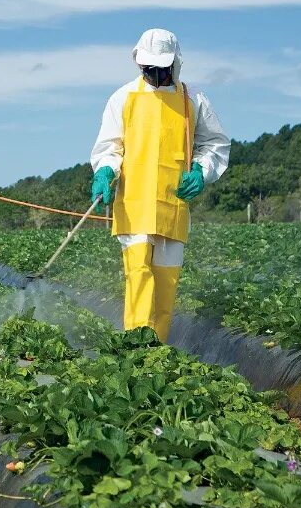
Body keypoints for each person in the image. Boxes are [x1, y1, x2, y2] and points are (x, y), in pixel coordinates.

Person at [89, 28, 229, 342]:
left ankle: (157, 351)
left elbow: (215, 144)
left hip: (173, 205)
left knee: (166, 286)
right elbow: (110, 147)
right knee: (138, 276)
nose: (155, 74)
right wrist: (105, 172)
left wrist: (200, 170)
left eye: (161, 69)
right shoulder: (123, 97)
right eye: (149, 69)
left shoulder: (192, 99)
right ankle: (136, 348)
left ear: (174, 65)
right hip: (134, 204)